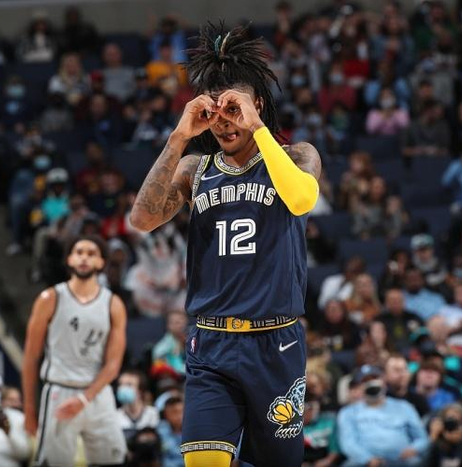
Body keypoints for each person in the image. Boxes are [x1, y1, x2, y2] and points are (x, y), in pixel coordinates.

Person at [129, 23, 322, 467]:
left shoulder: (297, 156)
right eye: (215, 112)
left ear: (256, 106)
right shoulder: (194, 168)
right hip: (211, 343)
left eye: (234, 109)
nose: (224, 121)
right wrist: (178, 137)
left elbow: (301, 200)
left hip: (275, 342)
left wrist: (256, 126)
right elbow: (142, 219)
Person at [22, 235, 128, 466]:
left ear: (101, 262)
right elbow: (30, 358)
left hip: (97, 393)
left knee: (114, 461)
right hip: (59, 391)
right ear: (69, 259)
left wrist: (84, 398)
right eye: (79, 252)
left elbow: (113, 365)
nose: (84, 258)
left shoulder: (113, 304)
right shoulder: (49, 298)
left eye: (91, 254)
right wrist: (29, 409)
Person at [336, 365, 429, 466]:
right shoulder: (348, 412)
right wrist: (367, 459)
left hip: (402, 460)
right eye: (365, 381)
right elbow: (348, 443)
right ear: (359, 387)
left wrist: (414, 448)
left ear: (384, 382)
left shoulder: (404, 407)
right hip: (364, 462)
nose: (371, 383)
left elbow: (422, 438)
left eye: (375, 379)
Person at [426, 403, 462, 467]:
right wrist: (433, 437)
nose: (452, 426)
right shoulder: (438, 443)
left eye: (456, 422)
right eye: (449, 421)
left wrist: (460, 442)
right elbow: (424, 463)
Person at [115, 370, 160, 443]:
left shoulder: (153, 414)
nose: (122, 388)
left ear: (140, 390)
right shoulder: (115, 416)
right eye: (121, 384)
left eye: (129, 385)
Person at [157, 396, 185, 467]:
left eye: (181, 411)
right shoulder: (160, 432)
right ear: (166, 414)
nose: (179, 416)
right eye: (174, 412)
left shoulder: (192, 431)